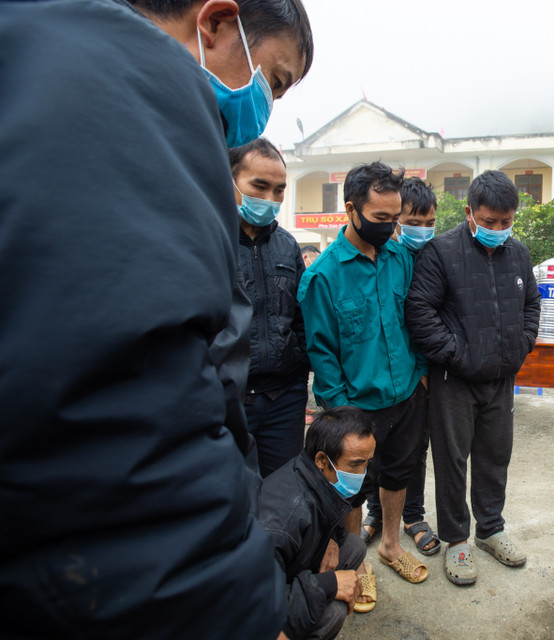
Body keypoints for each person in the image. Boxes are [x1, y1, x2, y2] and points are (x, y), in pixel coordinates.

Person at [0, 1, 312, 637]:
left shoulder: (36, 55)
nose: (264, 108)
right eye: (272, 80)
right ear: (217, 23)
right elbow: (133, 413)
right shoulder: (134, 107)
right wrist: (241, 600)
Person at [405, 170, 541, 585]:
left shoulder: (518, 253)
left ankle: (491, 530)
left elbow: (532, 304)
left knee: (495, 455)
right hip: (455, 380)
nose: (498, 230)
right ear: (469, 212)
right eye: (489, 221)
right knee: (451, 460)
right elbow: (420, 313)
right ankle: (456, 540)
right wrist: (457, 355)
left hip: (501, 379)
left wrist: (522, 343)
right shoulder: (440, 252)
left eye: (505, 222)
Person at [298, 162, 430, 587]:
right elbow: (322, 351)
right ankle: (357, 562)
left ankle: (391, 545)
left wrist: (421, 374)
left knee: (399, 474)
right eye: (380, 219)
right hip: (357, 406)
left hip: (406, 395)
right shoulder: (324, 276)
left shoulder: (399, 258)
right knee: (353, 486)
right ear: (351, 209)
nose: (390, 228)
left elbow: (412, 320)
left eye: (395, 219)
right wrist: (342, 413)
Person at [361, 177, 440, 556]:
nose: (421, 231)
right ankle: (375, 513)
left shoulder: (433, 257)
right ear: (395, 220)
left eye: (429, 224)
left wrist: (422, 371)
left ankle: (414, 514)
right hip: (377, 377)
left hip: (416, 375)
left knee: (413, 449)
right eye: (412, 221)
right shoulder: (387, 256)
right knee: (375, 450)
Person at [259, 406, 377, 639]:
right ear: (322, 459)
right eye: (355, 464)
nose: (363, 473)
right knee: (333, 612)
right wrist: (329, 585)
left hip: (287, 576)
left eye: (367, 462)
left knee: (353, 546)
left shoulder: (309, 472)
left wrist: (330, 538)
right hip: (261, 609)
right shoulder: (281, 526)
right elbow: (258, 605)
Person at [230, 137, 310, 478]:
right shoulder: (209, 239)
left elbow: (302, 317)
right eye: (259, 186)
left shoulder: (287, 245)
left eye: (279, 190)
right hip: (229, 402)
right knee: (234, 497)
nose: (270, 199)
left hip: (284, 400)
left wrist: (298, 365)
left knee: (283, 495)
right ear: (230, 180)